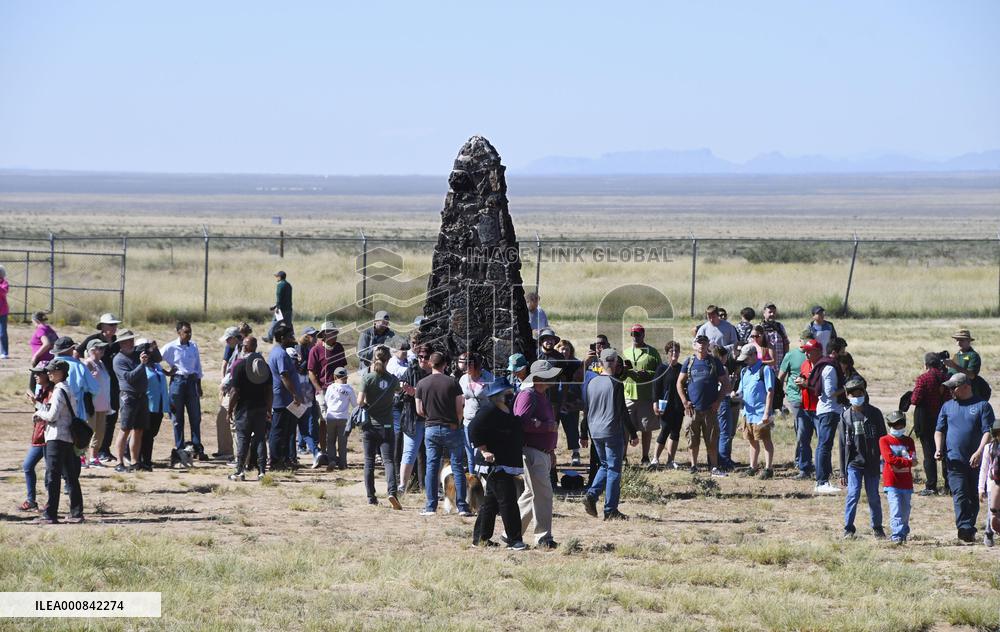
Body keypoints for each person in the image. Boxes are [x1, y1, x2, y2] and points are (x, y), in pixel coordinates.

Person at [935, 372, 995, 542]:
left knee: (973, 496)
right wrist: (939, 448)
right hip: (954, 460)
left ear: (966, 386)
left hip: (977, 462)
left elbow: (988, 432)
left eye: (953, 388)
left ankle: (969, 525)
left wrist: (979, 452)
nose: (950, 391)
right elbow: (939, 430)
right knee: (960, 494)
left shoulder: (982, 406)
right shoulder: (947, 406)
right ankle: (965, 528)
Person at [469, 378, 527, 550]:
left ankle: (480, 538)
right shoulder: (488, 410)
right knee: (508, 499)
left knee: (491, 502)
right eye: (508, 394)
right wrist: (484, 450)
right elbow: (473, 429)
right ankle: (514, 539)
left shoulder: (508, 411)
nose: (512, 396)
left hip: (505, 461)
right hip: (493, 463)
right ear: (498, 396)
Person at [582, 349, 638, 521]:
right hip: (612, 430)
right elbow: (622, 411)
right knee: (614, 469)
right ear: (614, 363)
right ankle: (610, 509)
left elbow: (586, 410)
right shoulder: (616, 384)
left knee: (605, 465)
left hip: (595, 431)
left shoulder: (591, 383)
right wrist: (633, 433)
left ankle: (592, 494)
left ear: (600, 363)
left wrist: (583, 432)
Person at [513, 359, 563, 548]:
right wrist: (544, 427)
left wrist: (551, 450)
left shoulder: (540, 395)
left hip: (541, 453)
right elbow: (521, 423)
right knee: (543, 495)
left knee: (530, 494)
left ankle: (510, 532)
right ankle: (543, 538)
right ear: (539, 378)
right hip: (532, 452)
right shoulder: (528, 395)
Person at [415, 352, 470, 516]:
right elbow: (460, 409)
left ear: (430, 364)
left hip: (431, 427)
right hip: (451, 427)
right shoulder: (452, 382)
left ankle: (430, 506)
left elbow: (419, 410)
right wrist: (457, 422)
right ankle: (462, 506)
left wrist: (431, 417)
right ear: (445, 364)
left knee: (432, 466)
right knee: (457, 466)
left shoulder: (422, 384)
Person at [34, 358, 84, 524]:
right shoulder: (68, 388)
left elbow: (52, 416)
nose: (48, 373)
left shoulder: (58, 390)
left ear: (60, 372)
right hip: (68, 438)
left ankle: (50, 514)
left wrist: (39, 413)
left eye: (51, 371)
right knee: (70, 476)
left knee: (52, 477)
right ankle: (76, 513)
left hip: (56, 437)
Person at [838, 377, 886, 539]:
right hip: (854, 464)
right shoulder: (845, 417)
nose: (856, 397)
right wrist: (842, 472)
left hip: (872, 463)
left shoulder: (875, 413)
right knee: (853, 494)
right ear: (848, 396)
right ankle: (848, 528)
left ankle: (877, 527)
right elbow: (842, 446)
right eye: (852, 394)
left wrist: (885, 463)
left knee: (873, 496)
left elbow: (884, 440)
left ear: (864, 393)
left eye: (859, 393)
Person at [676, 334, 730, 476]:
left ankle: (713, 467)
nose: (701, 345)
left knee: (711, 440)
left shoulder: (714, 362)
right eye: (699, 343)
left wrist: (718, 401)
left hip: (710, 409)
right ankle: (693, 466)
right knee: (692, 439)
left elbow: (725, 383)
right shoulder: (689, 362)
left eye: (704, 343)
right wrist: (684, 401)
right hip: (692, 410)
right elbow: (679, 383)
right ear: (694, 345)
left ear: (708, 345)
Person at [357, 346, 402, 508]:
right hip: (387, 425)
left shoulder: (367, 378)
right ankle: (392, 492)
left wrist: (368, 404)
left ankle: (371, 497)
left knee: (369, 462)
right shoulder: (392, 379)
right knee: (388, 461)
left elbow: (359, 401)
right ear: (388, 360)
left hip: (369, 425)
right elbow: (398, 390)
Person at [806, 335, 846, 494]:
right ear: (835, 352)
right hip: (829, 410)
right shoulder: (829, 368)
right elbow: (829, 393)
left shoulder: (828, 365)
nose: (845, 353)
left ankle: (824, 479)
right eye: (843, 350)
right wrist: (847, 388)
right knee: (824, 445)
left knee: (825, 445)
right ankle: (821, 481)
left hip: (829, 410)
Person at [80, 313, 122, 462]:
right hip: (96, 387)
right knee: (92, 422)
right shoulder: (93, 340)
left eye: (115, 325)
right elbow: (76, 352)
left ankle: (104, 449)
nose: (114, 328)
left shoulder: (117, 342)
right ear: (103, 326)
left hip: (113, 383)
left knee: (111, 418)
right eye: (111, 325)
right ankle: (87, 454)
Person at [227, 345, 273, 481]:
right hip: (261, 408)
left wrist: (229, 410)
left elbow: (234, 392)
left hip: (244, 410)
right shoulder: (265, 368)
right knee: (260, 440)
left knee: (242, 439)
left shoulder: (240, 367)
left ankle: (240, 471)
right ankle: (262, 471)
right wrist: (269, 409)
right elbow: (269, 391)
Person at [161, 321, 205, 459]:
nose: (189, 334)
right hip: (178, 383)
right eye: (186, 332)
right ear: (179, 332)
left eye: (190, 331)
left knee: (195, 416)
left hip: (191, 382)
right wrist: (167, 373)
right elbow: (155, 359)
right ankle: (180, 449)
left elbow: (197, 366)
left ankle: (197, 448)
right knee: (177, 417)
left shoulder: (193, 346)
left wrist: (199, 384)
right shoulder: (171, 347)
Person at [911, 351, 951, 496]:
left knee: (929, 454)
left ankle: (931, 486)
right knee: (945, 452)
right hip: (943, 419)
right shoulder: (946, 377)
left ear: (926, 364)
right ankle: (949, 486)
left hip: (925, 420)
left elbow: (915, 400)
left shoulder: (923, 378)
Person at [622, 324, 661, 465]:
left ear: (643, 335)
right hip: (628, 394)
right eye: (633, 334)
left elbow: (659, 372)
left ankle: (645, 457)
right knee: (625, 428)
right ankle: (623, 456)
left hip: (646, 396)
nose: (635, 337)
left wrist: (647, 374)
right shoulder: (625, 352)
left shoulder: (653, 353)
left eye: (638, 334)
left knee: (646, 427)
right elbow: (619, 372)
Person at [308, 321, 347, 456]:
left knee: (337, 420)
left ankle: (333, 452)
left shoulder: (339, 348)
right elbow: (311, 372)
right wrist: (318, 389)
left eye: (335, 332)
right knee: (324, 420)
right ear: (324, 334)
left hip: (337, 389)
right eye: (332, 332)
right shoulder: (316, 349)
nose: (335, 334)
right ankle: (324, 451)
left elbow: (342, 369)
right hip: (323, 390)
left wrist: (342, 385)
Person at [779, 330, 815, 480]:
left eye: (809, 340)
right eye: (804, 340)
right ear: (800, 341)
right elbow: (781, 377)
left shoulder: (815, 355)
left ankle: (804, 460)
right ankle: (801, 462)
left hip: (811, 397)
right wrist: (778, 399)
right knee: (801, 430)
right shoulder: (791, 356)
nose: (806, 344)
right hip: (795, 397)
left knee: (808, 430)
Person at [737, 344, 776, 478]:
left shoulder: (765, 370)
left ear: (754, 355)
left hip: (761, 412)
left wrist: (766, 413)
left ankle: (768, 468)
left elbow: (770, 392)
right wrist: (735, 395)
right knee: (751, 440)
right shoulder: (744, 371)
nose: (745, 361)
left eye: (747, 358)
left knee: (765, 439)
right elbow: (741, 391)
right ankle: (752, 467)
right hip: (748, 413)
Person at [113, 329, 149, 473]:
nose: (131, 343)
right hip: (128, 396)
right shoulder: (119, 359)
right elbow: (129, 377)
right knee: (125, 429)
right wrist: (142, 364)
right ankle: (119, 462)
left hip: (141, 396)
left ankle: (135, 461)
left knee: (138, 430)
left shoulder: (137, 355)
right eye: (128, 340)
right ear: (121, 343)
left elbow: (157, 359)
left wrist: (151, 349)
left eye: (132, 340)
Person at [267, 325, 302, 470]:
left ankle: (284, 459)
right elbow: (284, 375)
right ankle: (275, 462)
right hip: (283, 398)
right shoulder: (280, 354)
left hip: (287, 399)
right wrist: (294, 394)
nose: (292, 339)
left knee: (287, 431)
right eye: (289, 336)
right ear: (282, 338)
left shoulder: (279, 352)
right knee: (278, 431)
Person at [880, 411, 917, 543]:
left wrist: (901, 461)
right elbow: (889, 459)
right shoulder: (884, 440)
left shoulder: (909, 441)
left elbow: (914, 459)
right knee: (896, 509)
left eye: (901, 425)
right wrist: (906, 461)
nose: (899, 428)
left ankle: (904, 532)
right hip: (891, 482)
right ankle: (897, 536)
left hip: (906, 482)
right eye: (895, 425)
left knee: (906, 510)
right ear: (890, 425)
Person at [20, 363, 52, 511]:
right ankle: (31, 499)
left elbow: (51, 412)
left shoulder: (53, 391)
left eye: (38, 373)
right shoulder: (42, 390)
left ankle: (50, 502)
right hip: (39, 435)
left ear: (47, 374)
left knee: (50, 471)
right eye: (34, 373)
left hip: (48, 435)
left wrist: (35, 403)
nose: (35, 376)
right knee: (27, 466)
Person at [396, 347, 429, 489]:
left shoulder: (438, 374)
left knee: (431, 455)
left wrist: (417, 393)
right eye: (420, 356)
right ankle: (403, 486)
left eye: (426, 357)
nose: (422, 359)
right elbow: (400, 394)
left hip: (431, 420)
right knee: (409, 453)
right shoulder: (411, 371)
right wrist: (405, 390)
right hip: (412, 419)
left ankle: (429, 486)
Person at [458, 352, 495, 471]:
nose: (464, 369)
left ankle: (486, 481)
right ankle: (473, 481)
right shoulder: (463, 379)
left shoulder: (489, 378)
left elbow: (495, 399)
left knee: (482, 453)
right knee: (470, 456)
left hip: (484, 422)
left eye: (467, 366)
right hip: (468, 421)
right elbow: (461, 399)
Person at [651, 341, 684, 469]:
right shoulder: (662, 368)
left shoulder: (682, 368)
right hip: (664, 405)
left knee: (675, 432)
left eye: (676, 351)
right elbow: (656, 387)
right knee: (664, 430)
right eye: (671, 351)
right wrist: (655, 403)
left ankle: (670, 460)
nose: (674, 354)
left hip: (678, 405)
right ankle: (655, 458)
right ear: (667, 353)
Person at [140, 340, 169, 471]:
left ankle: (146, 459)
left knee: (151, 434)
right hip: (147, 406)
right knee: (145, 434)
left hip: (159, 405)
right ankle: (140, 459)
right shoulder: (141, 367)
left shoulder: (156, 366)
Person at [555, 339, 585, 466]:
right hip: (554, 400)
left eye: (567, 349)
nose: (564, 351)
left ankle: (575, 453)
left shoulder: (576, 364)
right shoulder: (553, 363)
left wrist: (579, 400)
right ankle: (550, 452)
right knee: (552, 428)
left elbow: (581, 383)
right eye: (562, 349)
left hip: (571, 400)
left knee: (572, 427)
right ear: (557, 350)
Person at [83, 338, 111, 467]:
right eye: (100, 348)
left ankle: (94, 457)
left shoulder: (101, 363)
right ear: (92, 350)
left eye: (103, 348)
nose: (103, 350)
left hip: (103, 403)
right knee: (88, 431)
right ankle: (82, 457)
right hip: (91, 404)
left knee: (100, 432)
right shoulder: (88, 364)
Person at [214, 326, 240, 459]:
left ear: (234, 338)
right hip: (231, 388)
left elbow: (233, 371)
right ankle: (228, 451)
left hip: (233, 389)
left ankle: (236, 455)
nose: (227, 342)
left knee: (232, 421)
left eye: (228, 339)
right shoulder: (235, 349)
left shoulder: (239, 351)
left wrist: (224, 385)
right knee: (224, 418)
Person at [323, 366, 356, 470]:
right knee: (342, 442)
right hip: (343, 418)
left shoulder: (330, 387)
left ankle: (332, 460)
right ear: (346, 377)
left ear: (335, 376)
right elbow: (355, 404)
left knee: (330, 441)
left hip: (331, 417)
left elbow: (326, 401)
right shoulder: (349, 389)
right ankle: (342, 463)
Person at [760, 303, 790, 412]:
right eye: (769, 312)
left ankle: (779, 406)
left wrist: (786, 360)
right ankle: (767, 408)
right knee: (766, 387)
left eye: (774, 312)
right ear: (764, 313)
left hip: (780, 364)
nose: (772, 314)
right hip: (766, 364)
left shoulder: (780, 326)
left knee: (779, 387)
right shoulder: (760, 327)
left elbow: (786, 343)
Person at [944, 329, 988, 400]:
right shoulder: (957, 355)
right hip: (955, 393)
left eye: (961, 340)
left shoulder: (973, 355)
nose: (958, 343)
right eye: (957, 340)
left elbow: (971, 375)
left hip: (967, 393)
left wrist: (953, 365)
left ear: (969, 341)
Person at [978, 417, 1000, 547]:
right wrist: (981, 488)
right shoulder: (989, 448)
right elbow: (984, 469)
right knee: (992, 511)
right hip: (992, 485)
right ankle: (989, 532)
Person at [265, 270, 293, 343]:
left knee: (275, 323)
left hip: (281, 309)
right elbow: (286, 298)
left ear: (280, 277)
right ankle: (291, 337)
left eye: (277, 276)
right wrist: (275, 306)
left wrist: (277, 307)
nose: (276, 278)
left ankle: (269, 338)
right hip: (289, 308)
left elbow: (279, 297)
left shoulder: (280, 285)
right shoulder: (288, 285)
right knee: (288, 324)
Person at [0, 264, 8, 359]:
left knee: (2, 333)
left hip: (2, 312)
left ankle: (5, 352)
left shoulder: (4, 283)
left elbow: (3, 292)